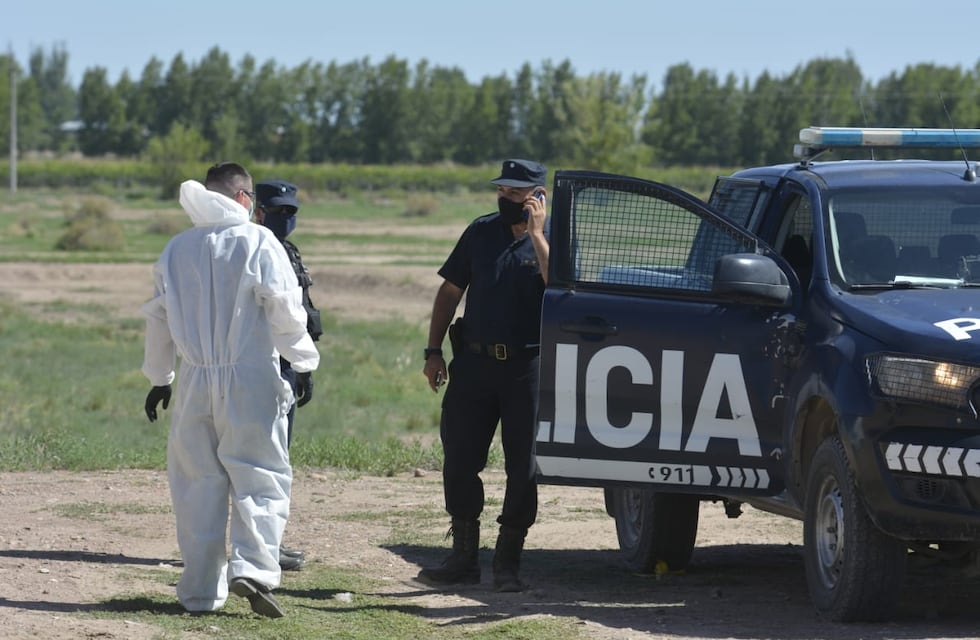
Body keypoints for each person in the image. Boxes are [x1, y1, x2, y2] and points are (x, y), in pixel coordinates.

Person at [142, 162, 319, 619]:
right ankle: (254, 571)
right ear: (243, 198)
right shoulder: (259, 241)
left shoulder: (176, 248)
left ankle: (200, 592)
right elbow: (284, 307)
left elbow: (158, 317)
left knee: (196, 485)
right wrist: (303, 361)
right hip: (250, 377)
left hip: (194, 381)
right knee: (259, 476)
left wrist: (160, 377)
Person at [417, 159, 549, 592]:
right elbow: (450, 292)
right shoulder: (480, 231)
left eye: (516, 192)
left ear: (538, 195)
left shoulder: (554, 238)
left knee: (522, 467)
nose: (506, 198)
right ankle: (463, 558)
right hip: (474, 364)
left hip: (526, 369)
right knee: (459, 458)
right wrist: (433, 351)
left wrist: (537, 236)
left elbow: (559, 287)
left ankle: (508, 563)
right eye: (502, 191)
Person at [253, 178, 323, 572]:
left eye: (290, 211)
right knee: (264, 460)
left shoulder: (289, 252)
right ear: (258, 211)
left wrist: (303, 366)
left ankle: (271, 541)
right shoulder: (255, 251)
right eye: (277, 210)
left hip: (289, 364)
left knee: (279, 456)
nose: (284, 217)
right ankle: (261, 547)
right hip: (262, 364)